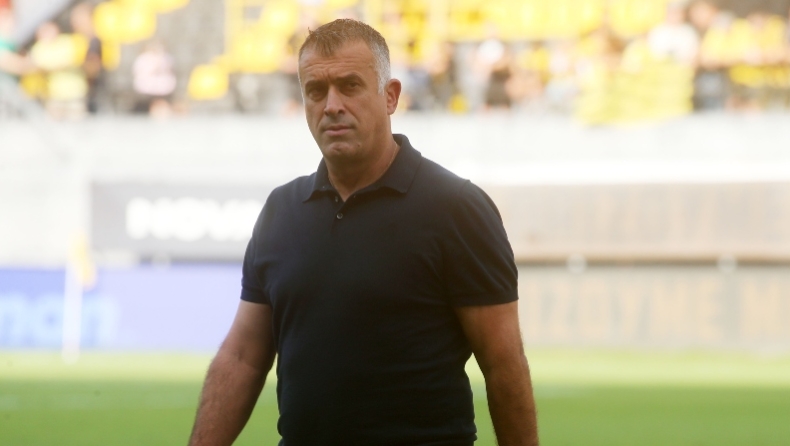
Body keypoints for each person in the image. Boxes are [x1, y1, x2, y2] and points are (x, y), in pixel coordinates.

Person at [188, 19, 538, 446]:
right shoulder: (282, 210)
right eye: (316, 91)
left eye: (350, 86)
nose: (332, 105)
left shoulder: (455, 207)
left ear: (390, 96)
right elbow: (242, 356)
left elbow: (503, 365)